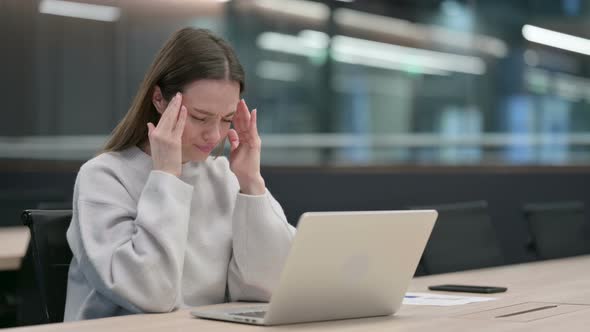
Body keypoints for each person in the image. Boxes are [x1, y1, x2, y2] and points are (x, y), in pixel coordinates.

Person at [64, 27, 296, 321]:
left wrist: (251, 184)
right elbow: (150, 295)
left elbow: (271, 286)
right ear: (159, 99)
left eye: (226, 119)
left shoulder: (224, 177)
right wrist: (166, 178)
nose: (214, 135)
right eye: (200, 117)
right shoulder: (103, 177)